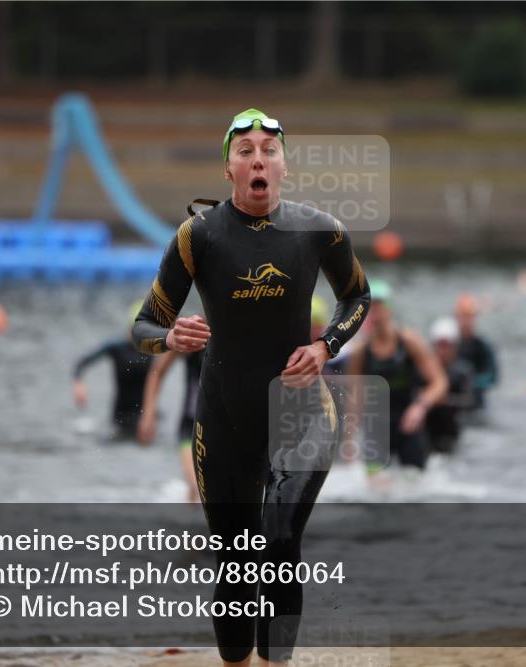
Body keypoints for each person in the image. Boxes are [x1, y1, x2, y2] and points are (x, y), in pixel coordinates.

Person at [131, 108, 371, 666]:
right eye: (245, 151)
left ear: (284, 165)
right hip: (225, 416)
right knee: (236, 561)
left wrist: (324, 346)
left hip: (302, 412)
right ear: (229, 170)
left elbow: (357, 298)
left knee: (280, 543)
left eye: (269, 150)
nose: (258, 159)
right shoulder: (199, 236)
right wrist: (170, 339)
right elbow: (141, 327)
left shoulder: (318, 230)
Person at [345, 280, 447, 471]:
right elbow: (355, 397)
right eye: (370, 307)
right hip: (376, 429)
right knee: (374, 490)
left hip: (408, 422)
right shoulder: (360, 352)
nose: (375, 312)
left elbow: (440, 382)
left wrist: (420, 407)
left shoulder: (408, 342)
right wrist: (349, 437)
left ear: (389, 309)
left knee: (413, 483)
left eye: (379, 305)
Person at [72, 301, 153, 439]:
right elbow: (82, 363)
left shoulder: (153, 350)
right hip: (119, 418)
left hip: (146, 418)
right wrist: (78, 382)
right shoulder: (117, 348)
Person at [137, 346, 205, 502]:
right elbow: (157, 372)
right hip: (191, 425)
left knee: (206, 490)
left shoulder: (234, 336)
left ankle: (192, 519)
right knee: (196, 484)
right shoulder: (195, 334)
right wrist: (148, 413)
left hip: (224, 428)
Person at [425, 317, 472, 454]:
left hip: (451, 431)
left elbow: (469, 401)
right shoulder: (424, 371)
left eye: (447, 346)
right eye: (440, 345)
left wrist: (445, 401)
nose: (443, 351)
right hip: (429, 429)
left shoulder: (462, 372)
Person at [455, 293, 499, 411]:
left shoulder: (483, 346)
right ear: (456, 317)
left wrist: (472, 382)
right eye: (462, 316)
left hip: (475, 400)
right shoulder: (448, 345)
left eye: (469, 316)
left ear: (475, 318)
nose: (466, 321)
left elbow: (493, 377)